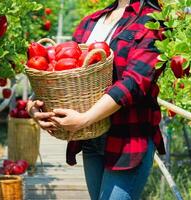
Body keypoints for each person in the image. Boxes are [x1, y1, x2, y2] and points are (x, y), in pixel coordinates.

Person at [26, 0, 166, 199]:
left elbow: (135, 83)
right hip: (90, 138)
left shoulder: (153, 20)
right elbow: (62, 72)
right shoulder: (91, 21)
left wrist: (85, 118)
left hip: (127, 137)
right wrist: (35, 103)